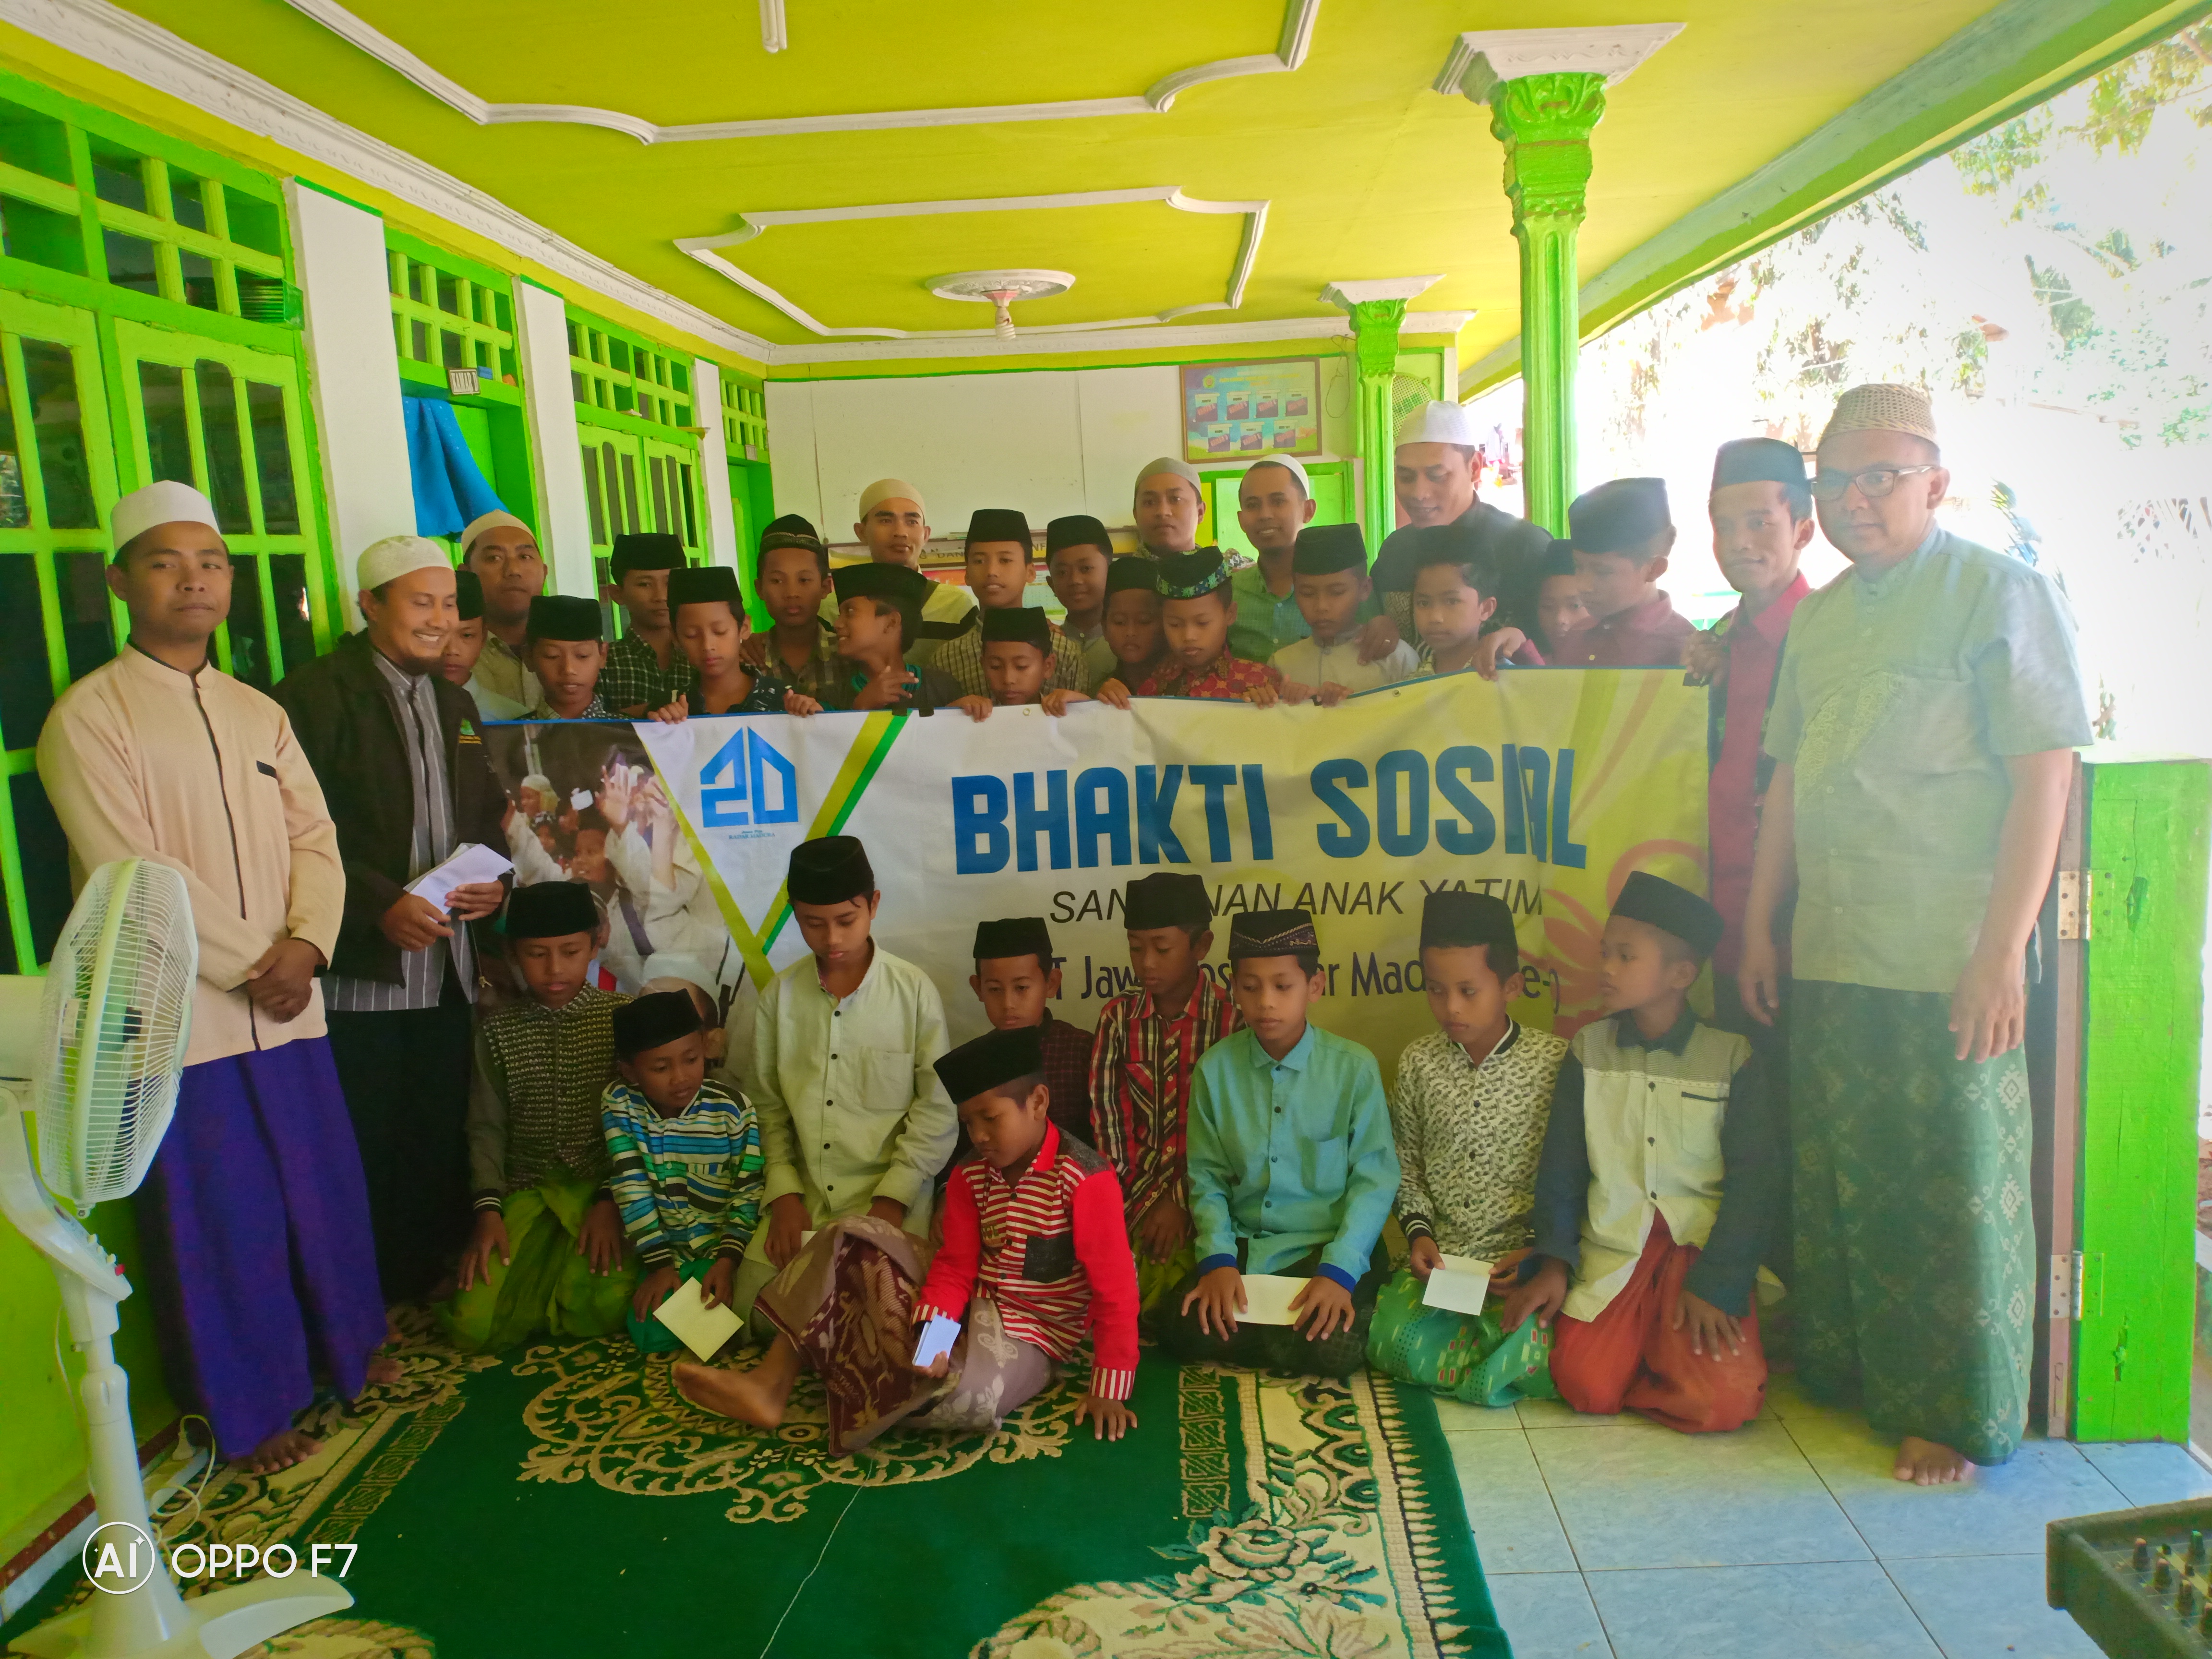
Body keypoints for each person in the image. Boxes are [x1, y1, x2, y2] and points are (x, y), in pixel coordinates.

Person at [1740, 383, 2089, 1484]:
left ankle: (1954, 1407)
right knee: (1845, 1175)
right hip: (1834, 941)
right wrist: (1759, 920)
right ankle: (1852, 1372)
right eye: (1833, 482)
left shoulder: (2001, 594)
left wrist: (1999, 952)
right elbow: (1788, 777)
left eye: (1880, 477)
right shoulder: (1823, 618)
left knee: (1953, 1184)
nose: (1854, 500)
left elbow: (2046, 778)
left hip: (1947, 953)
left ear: (1936, 481)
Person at [36, 480, 385, 1475]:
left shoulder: (256, 711)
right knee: (220, 1216)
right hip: (186, 1016)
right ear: (119, 581)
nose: (194, 581)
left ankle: (352, 1356)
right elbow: (132, 872)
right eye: (165, 562)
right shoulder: (90, 718)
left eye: (212, 562)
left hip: (291, 997)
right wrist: (254, 963)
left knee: (319, 1190)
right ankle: (253, 1409)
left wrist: (310, 944)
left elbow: (315, 837)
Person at [675, 1026, 1141, 1452]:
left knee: (974, 1397)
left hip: (1033, 1336)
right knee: (848, 1236)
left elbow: (1115, 1291)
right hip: (968, 1304)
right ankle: (769, 1383)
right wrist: (937, 1336)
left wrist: (1109, 1389)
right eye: (968, 1123)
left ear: (1038, 1103)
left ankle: (867, 1367)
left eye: (990, 1119)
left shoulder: (1085, 1180)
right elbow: (956, 1267)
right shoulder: (969, 1178)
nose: (977, 1136)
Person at [275, 536, 508, 1305]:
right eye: (421, 602)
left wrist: (491, 885)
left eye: (449, 604)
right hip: (363, 975)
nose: (440, 620)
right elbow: (296, 830)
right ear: (368, 604)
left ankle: (419, 1284)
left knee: (434, 1133)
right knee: (362, 1141)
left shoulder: (456, 703)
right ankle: (360, 1299)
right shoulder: (313, 699)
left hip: (447, 965)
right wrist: (380, 905)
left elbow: (482, 815)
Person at [1500, 874, 1779, 1434]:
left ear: (1681, 974)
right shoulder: (1589, 1050)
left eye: (1625, 956)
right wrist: (1555, 1262)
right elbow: (1562, 1169)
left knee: (1722, 1404)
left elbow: (1757, 1183)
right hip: (1615, 1248)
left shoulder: (1732, 1057)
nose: (1605, 968)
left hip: (1698, 1256)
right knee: (1583, 1385)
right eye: (1606, 953)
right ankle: (1654, 1356)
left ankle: (1674, 1353)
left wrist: (1719, 1286)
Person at [724, 835, 958, 1325]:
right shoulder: (779, 999)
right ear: (795, 915)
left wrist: (891, 1203)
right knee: (754, 1315)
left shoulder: (913, 993)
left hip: (888, 1202)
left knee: (894, 1317)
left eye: (846, 921)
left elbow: (937, 1111)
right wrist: (785, 1195)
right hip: (806, 1205)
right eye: (814, 923)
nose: (832, 939)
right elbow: (766, 1109)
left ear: (873, 906)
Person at [1159, 910, 1400, 1378]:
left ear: (1314, 987)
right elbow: (1206, 1179)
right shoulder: (1216, 1070)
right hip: (1251, 1246)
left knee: (1335, 1349)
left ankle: (1281, 1331)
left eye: (1282, 986)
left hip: (1327, 1248)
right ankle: (1279, 1336)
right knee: (1181, 1325)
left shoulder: (1354, 1068)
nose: (1266, 1002)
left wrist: (1338, 1274)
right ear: (1234, 989)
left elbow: (1375, 1179)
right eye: (1251, 987)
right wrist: (1219, 1263)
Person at [1687, 437, 1816, 1279]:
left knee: (1796, 1121)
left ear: (1802, 526)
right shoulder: (1717, 644)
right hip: (1718, 929)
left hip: (1800, 932)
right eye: (1723, 523)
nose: (1741, 541)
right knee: (1741, 1122)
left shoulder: (1823, 636)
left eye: (1759, 521)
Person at [1368, 890, 1567, 1407]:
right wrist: (1419, 1236)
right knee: (1388, 1342)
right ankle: (1473, 1360)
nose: (1450, 1007)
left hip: (1520, 1264)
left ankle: (1484, 1356)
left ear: (1511, 987)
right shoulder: (1419, 1062)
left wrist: (1540, 1253)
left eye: (1468, 990)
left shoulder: (1554, 1064)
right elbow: (1404, 1160)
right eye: (1436, 990)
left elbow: (1575, 1173)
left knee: (1543, 1355)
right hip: (1446, 1264)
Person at [442, 880, 634, 1351]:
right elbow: (485, 1126)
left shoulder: (625, 1019)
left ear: (594, 945)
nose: (554, 969)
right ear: (512, 954)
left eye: (570, 952)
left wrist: (610, 1200)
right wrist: (488, 1213)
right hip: (524, 1193)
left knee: (606, 1305)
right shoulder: (498, 1031)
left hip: (602, 1195)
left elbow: (641, 1122)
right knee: (472, 1327)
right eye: (536, 954)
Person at [1088, 872, 1239, 1312]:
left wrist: (1179, 1202)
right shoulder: (1118, 1020)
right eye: (1136, 948)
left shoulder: (1233, 1022)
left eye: (1162, 948)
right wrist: (1141, 1208)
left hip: (1213, 1197)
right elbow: (1110, 1132)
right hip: (1131, 1196)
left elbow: (1233, 1136)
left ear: (1202, 946)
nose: (1146, 963)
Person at [602, 990, 762, 1354]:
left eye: (691, 1060)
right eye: (661, 1068)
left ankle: (717, 1319)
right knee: (647, 1331)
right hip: (664, 1251)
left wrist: (726, 1261)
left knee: (747, 1306)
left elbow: (749, 1190)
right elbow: (631, 1185)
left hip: (724, 1248)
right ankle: (708, 1322)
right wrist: (659, 1265)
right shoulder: (621, 1104)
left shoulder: (732, 1110)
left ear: (705, 1049)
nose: (680, 1078)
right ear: (630, 1071)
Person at [1370, 401, 1552, 641]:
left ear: (1475, 468)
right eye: (1406, 477)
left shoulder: (1525, 546)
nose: (1419, 493)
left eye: (1437, 476)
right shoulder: (1395, 551)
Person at [957, 916, 1094, 1158]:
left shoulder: (1083, 1051)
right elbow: (964, 1149)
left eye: (1021, 988)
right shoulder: (975, 1062)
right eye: (995, 990)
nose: (1008, 1004)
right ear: (978, 988)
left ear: (1051, 984)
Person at [930, 509, 1089, 699]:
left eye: (1005, 560)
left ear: (1030, 572)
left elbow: (1083, 720)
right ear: (967, 574)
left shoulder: (1065, 653)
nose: (991, 571)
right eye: (979, 561)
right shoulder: (947, 659)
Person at [830, 478, 978, 669]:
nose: (900, 532)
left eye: (912, 521)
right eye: (886, 520)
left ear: (925, 535)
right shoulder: (834, 607)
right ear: (861, 532)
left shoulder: (956, 606)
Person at [1549, 479, 1697, 668]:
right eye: (1578, 566)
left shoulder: (1685, 652)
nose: (1583, 586)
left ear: (1654, 569)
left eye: (1602, 572)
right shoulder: (1576, 637)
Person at [1269, 523, 1418, 705]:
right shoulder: (1282, 664)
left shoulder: (1396, 658)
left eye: (1337, 592)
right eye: (1307, 593)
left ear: (1364, 589)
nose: (1321, 606)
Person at [797, 562, 965, 714]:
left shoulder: (942, 688)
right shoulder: (831, 698)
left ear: (891, 623)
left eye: (850, 612)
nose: (837, 624)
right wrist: (861, 709)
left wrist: (969, 711)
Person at [1129, 548, 1277, 705]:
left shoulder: (1260, 681)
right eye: (1175, 624)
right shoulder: (1154, 685)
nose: (1188, 636)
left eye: (1202, 623)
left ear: (1230, 614)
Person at [651, 566, 790, 718]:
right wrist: (663, 731)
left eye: (720, 631)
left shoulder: (785, 700)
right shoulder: (667, 708)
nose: (707, 646)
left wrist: (813, 716)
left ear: (744, 628)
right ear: (676, 638)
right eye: (691, 635)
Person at [1411, 525, 1535, 677]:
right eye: (1424, 603)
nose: (1435, 617)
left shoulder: (1504, 676)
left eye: (1452, 601)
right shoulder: (1410, 682)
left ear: (1486, 609)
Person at [457, 509, 547, 711]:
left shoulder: (572, 647)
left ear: (544, 572)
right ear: (466, 574)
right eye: (494, 558)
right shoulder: (452, 656)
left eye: (524, 556)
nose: (513, 571)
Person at [751, 519, 845, 704]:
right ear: (759, 588)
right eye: (777, 581)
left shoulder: (846, 656)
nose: (792, 594)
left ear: (825, 587)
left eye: (804, 580)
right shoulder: (747, 661)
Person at [598, 532, 689, 717]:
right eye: (645, 585)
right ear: (617, 594)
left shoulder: (703, 657)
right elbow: (590, 728)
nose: (661, 596)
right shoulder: (604, 662)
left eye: (670, 583)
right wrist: (647, 712)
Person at [970, 605, 1090, 720]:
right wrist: (954, 714)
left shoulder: (1070, 714)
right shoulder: (969, 718)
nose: (1008, 679)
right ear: (984, 666)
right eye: (995, 667)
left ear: (1048, 666)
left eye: (1021, 667)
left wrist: (1088, 707)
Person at [441, 569, 527, 722]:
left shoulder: (512, 719)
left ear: (483, 638)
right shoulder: (397, 712)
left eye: (467, 635)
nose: (452, 650)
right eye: (440, 634)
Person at [1087, 557, 1172, 706]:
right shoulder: (1098, 694)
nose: (1131, 632)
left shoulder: (1187, 686)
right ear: (1105, 626)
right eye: (1120, 622)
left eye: (1144, 621)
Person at [526, 595, 611, 720]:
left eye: (583, 655)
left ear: (603, 655)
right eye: (552, 656)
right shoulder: (512, 735)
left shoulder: (633, 732)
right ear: (529, 657)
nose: (568, 669)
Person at [1043, 514, 1114, 663]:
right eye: (1062, 572)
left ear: (1112, 574)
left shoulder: (1129, 644)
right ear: (1051, 585)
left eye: (1086, 569)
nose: (1075, 580)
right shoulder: (1045, 647)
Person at [1531, 543, 1592, 662]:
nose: (1560, 619)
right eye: (1548, 607)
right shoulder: (1529, 662)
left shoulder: (1619, 661)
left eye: (1575, 606)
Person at [1132, 457, 1204, 556]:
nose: (1163, 512)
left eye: (1176, 499)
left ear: (1200, 512)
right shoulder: (1116, 572)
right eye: (1149, 502)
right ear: (1136, 515)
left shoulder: (1224, 571)